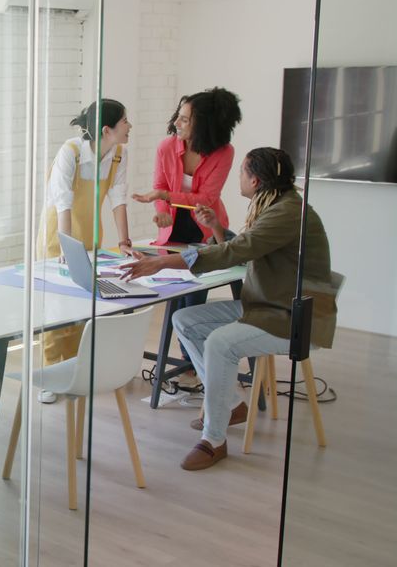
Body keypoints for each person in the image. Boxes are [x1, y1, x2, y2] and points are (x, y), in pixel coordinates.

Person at [118, 147, 337, 471]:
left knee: (221, 343)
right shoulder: (276, 205)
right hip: (267, 304)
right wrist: (217, 228)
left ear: (256, 179)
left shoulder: (286, 213)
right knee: (186, 319)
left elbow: (239, 251)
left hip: (291, 318)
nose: (239, 177)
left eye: (242, 172)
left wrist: (163, 262)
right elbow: (248, 247)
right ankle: (232, 405)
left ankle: (214, 440)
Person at [133, 88, 243, 360]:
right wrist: (162, 210)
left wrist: (165, 197)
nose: (176, 123)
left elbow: (207, 198)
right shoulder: (166, 146)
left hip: (205, 228)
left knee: (193, 298)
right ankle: (189, 360)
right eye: (178, 117)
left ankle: (191, 360)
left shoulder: (223, 152)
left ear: (203, 124)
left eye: (184, 119)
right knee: (173, 295)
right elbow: (159, 187)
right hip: (172, 228)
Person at [38, 100, 134, 399]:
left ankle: (77, 370)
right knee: (56, 309)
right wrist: (67, 245)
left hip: (91, 236)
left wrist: (124, 242)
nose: (130, 126)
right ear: (108, 129)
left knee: (84, 305)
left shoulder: (118, 154)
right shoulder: (71, 153)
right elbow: (63, 201)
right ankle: (50, 376)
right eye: (125, 121)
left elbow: (118, 199)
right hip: (59, 235)